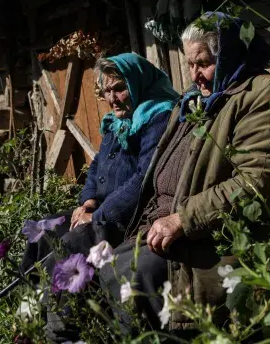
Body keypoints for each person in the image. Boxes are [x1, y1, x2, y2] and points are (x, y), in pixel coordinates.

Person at [97, 12, 270, 333]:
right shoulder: (191, 102)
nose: (195, 75)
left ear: (229, 54)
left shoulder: (259, 96)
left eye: (203, 63)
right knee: (103, 266)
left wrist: (183, 219)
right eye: (189, 64)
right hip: (161, 227)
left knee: (136, 276)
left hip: (210, 239)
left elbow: (257, 181)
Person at [19, 53, 178, 340]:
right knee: (43, 232)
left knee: (71, 242)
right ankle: (32, 311)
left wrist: (98, 215)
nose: (113, 98)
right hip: (100, 208)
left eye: (119, 88)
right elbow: (95, 166)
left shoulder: (158, 116)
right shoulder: (117, 122)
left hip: (127, 215)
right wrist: (88, 202)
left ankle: (65, 330)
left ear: (137, 82)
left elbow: (143, 179)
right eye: (107, 91)